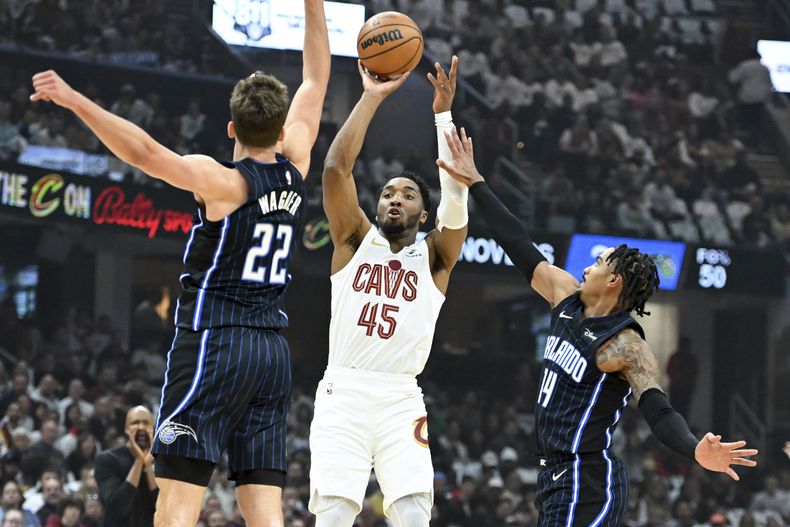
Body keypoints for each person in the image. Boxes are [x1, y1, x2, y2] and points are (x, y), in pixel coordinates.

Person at [30, 0, 329, 525]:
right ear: (282, 131)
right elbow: (316, 77)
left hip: (216, 343)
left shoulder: (224, 183)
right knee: (264, 505)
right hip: (271, 355)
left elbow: (144, 153)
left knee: (176, 503)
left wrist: (76, 100)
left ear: (231, 128)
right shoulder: (296, 165)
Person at [436, 126, 759, 526]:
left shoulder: (624, 344)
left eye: (598, 263)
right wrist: (477, 183)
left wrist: (694, 448)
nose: (586, 267)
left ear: (613, 281)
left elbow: (658, 409)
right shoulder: (565, 296)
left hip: (586, 481)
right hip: (553, 477)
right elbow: (517, 243)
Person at [308, 56, 468, 527]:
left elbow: (456, 200)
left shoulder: (435, 257)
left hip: (402, 398)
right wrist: (370, 96)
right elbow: (336, 168)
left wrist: (442, 115)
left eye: (408, 195)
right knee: (334, 514)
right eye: (387, 194)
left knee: (415, 513)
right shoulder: (353, 241)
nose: (394, 198)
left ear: (423, 215)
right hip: (344, 389)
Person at [93, 406, 157, 527]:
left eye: (146, 423)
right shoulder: (107, 459)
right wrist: (138, 462)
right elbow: (117, 507)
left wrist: (148, 466)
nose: (141, 427)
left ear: (153, 428)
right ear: (127, 428)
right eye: (135, 423)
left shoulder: (165, 462)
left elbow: (163, 508)